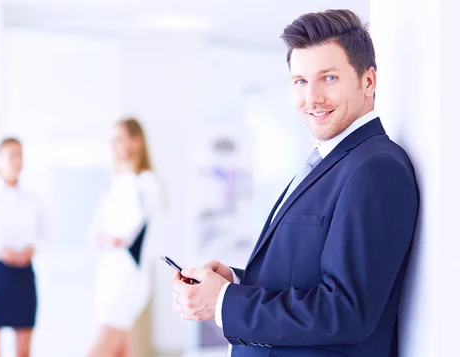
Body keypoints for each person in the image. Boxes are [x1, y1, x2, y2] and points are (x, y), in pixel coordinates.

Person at [171, 9, 420, 357]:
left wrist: (224, 303)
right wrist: (237, 284)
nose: (311, 98)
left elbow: (346, 311)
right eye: (300, 81)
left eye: (328, 78)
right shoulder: (330, 161)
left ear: (368, 81)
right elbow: (304, 277)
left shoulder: (375, 169)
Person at [86, 118, 163, 357]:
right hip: (108, 277)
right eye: (111, 141)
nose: (113, 146)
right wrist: (106, 239)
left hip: (128, 278)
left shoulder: (146, 184)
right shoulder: (115, 185)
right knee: (120, 351)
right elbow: (94, 235)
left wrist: (109, 239)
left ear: (136, 141)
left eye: (119, 139)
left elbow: (128, 235)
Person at [0, 138, 45, 357]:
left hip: (23, 275)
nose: (16, 160)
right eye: (11, 155)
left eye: (20, 155)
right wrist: (0, 251)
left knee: (23, 350)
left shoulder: (32, 198)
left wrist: (30, 249)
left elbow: (43, 235)